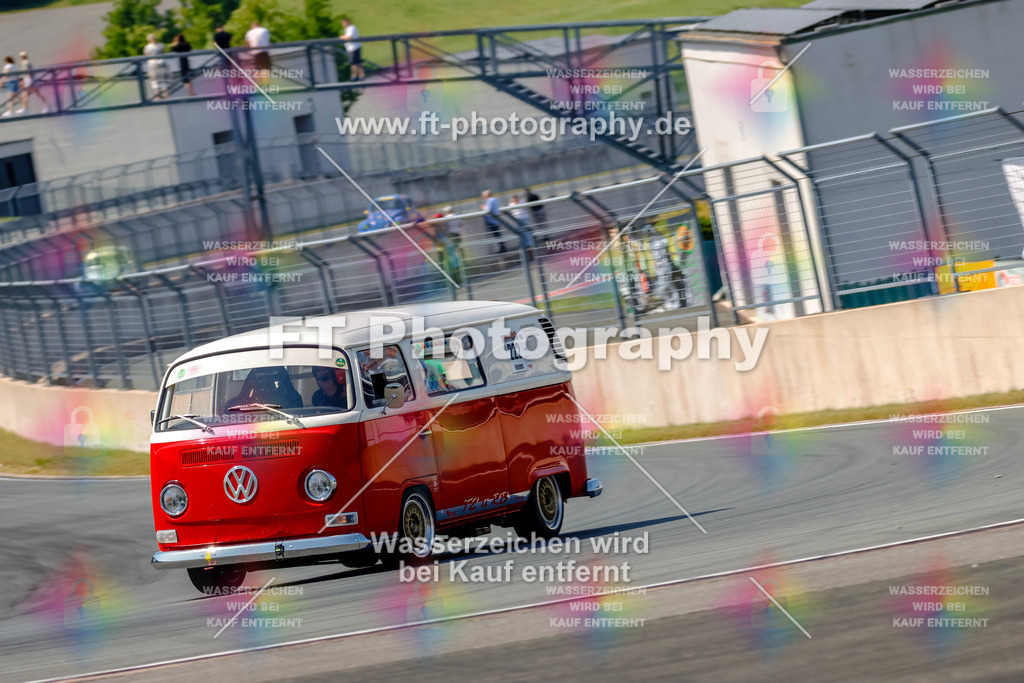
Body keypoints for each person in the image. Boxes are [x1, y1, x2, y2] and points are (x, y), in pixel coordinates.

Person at [143, 34, 169, 100]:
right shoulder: (160, 45)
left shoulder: (147, 47)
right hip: (162, 63)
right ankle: (165, 93)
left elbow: (146, 55)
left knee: (154, 80)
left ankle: (157, 95)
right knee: (163, 79)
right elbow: (163, 53)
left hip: (152, 64)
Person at [481, 190, 506, 254]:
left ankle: (502, 248)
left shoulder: (490, 200)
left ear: (486, 195)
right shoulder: (495, 199)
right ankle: (502, 247)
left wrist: (483, 208)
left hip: (491, 220)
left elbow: (488, 210)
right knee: (498, 235)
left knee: (497, 235)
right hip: (495, 219)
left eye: (483, 196)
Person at [340, 17, 364, 81]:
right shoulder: (347, 29)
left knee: (356, 63)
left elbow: (349, 37)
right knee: (354, 63)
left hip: (354, 48)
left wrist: (342, 37)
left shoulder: (352, 28)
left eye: (343, 23)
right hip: (350, 48)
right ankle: (356, 76)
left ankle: (357, 76)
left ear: (347, 22)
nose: (342, 24)